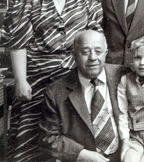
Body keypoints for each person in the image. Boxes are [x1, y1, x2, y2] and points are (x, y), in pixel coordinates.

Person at [0, 0, 103, 162]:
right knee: (29, 139)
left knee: (70, 139)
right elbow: (17, 41)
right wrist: (20, 80)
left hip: (72, 79)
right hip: (35, 78)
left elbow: (94, 41)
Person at [39, 30, 121, 162]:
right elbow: (48, 137)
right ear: (74, 55)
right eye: (85, 52)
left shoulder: (124, 76)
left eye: (98, 51)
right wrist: (82, 154)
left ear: (106, 54)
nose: (93, 57)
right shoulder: (55, 92)